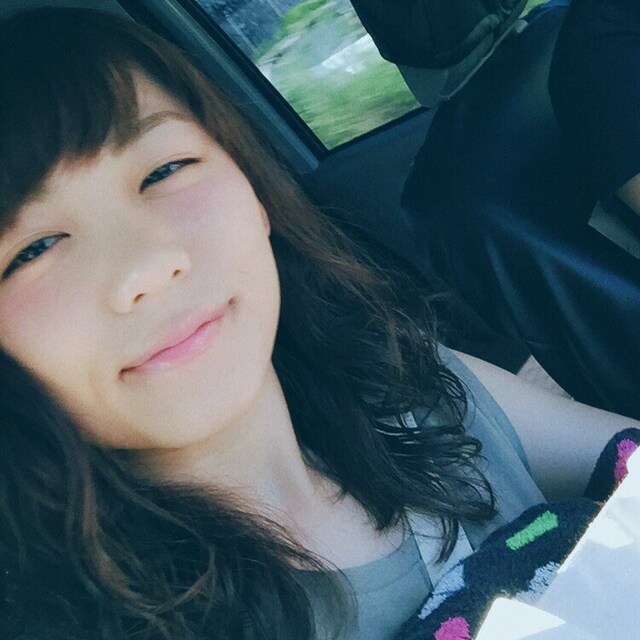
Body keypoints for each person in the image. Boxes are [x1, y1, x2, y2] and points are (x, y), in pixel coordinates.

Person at [0, 8, 637, 640]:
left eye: (163, 171)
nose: (146, 266)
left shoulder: (407, 385)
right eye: (32, 250)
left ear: (254, 190)